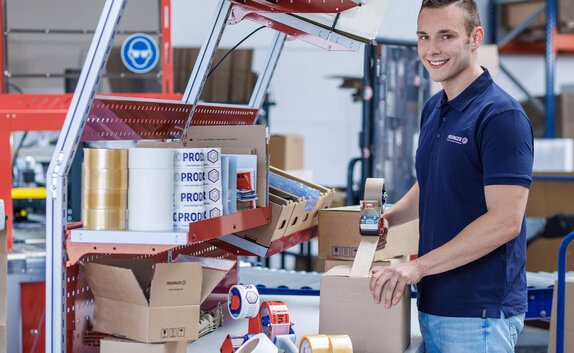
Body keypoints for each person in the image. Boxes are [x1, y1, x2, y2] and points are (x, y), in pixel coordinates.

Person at [369, 0, 533, 351]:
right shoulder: (435, 107)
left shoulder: (501, 116)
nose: (432, 49)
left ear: (475, 38)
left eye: (446, 36)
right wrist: (389, 218)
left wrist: (417, 268)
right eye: (424, 37)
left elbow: (506, 221)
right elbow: (432, 180)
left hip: (479, 314)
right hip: (434, 302)